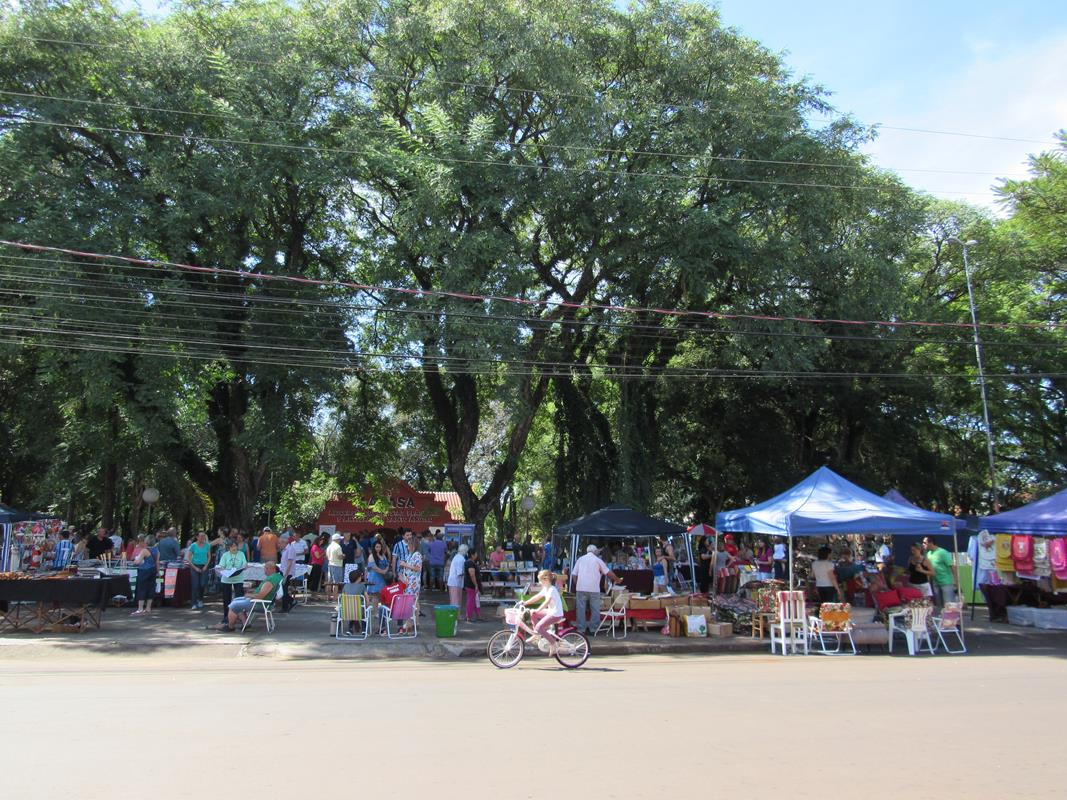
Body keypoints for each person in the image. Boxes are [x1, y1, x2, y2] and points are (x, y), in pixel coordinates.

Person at [571, 544, 622, 635]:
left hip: (581, 588)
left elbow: (574, 574)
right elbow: (608, 572)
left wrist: (577, 584)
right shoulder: (598, 560)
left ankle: (581, 629)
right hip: (593, 588)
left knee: (581, 609)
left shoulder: (580, 559)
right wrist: (617, 579)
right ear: (595, 552)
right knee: (595, 609)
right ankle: (593, 630)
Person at [218, 561, 282, 632]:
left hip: (260, 603)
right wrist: (252, 593)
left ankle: (230, 627)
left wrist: (249, 595)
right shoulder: (277, 576)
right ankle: (246, 624)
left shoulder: (271, 580)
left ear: (273, 569)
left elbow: (260, 596)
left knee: (233, 605)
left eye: (266, 568)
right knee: (236, 600)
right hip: (263, 602)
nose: (264, 570)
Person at [522, 569, 566, 656]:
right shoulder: (546, 588)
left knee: (539, 627)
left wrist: (538, 609)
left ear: (546, 580)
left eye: (540, 580)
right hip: (551, 612)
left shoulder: (552, 590)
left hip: (556, 614)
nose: (539, 582)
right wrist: (525, 603)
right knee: (532, 613)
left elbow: (546, 602)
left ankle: (553, 643)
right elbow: (537, 597)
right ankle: (537, 635)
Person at [924, 537, 958, 607]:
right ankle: (941, 617)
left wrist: (956, 581)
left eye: (925, 543)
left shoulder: (943, 552)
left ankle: (950, 618)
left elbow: (952, 567)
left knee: (948, 604)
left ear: (931, 543)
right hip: (935, 582)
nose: (923, 544)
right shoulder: (928, 554)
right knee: (939, 604)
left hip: (946, 583)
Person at [131, 535, 160, 616]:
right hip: (153, 571)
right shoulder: (157, 550)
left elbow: (137, 562)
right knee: (151, 588)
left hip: (144, 571)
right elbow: (157, 562)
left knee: (142, 588)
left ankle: (140, 609)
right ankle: (148, 608)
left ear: (146, 542)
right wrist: (158, 572)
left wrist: (135, 561)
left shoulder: (144, 551)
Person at [186, 532, 212, 610]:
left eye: (203, 536)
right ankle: (193, 603)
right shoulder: (193, 546)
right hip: (195, 566)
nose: (202, 538)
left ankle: (200, 599)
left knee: (202, 584)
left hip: (204, 566)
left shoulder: (207, 545)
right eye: (201, 536)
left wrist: (206, 566)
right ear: (197, 537)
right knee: (195, 585)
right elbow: (188, 558)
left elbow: (209, 557)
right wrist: (194, 567)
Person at [366, 538, 391, 605]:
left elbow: (387, 564)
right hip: (374, 577)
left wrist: (385, 570)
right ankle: (375, 613)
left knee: (381, 596)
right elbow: (374, 567)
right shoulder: (371, 556)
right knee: (375, 596)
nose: (378, 548)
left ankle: (380, 612)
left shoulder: (382, 555)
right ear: (374, 547)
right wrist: (383, 571)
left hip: (382, 578)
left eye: (379, 547)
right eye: (377, 547)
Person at [447, 543, 468, 616]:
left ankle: (455, 615)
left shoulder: (457, 557)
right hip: (455, 582)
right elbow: (460, 572)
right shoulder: (461, 559)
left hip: (454, 582)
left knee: (454, 599)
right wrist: (467, 573)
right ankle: (455, 615)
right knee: (456, 600)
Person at [464, 549, 483, 622]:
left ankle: (477, 615)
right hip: (471, 585)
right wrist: (476, 585)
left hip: (471, 584)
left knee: (475, 600)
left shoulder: (471, 562)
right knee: (471, 600)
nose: (476, 555)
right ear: (472, 555)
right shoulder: (470, 563)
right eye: (475, 554)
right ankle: (468, 616)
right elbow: (472, 575)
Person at [325, 533, 345, 597]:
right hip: (337, 565)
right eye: (339, 539)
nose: (340, 540)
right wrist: (344, 556)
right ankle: (335, 597)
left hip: (330, 564)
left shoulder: (329, 546)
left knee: (329, 581)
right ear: (337, 540)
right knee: (336, 582)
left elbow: (327, 556)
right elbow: (340, 557)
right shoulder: (338, 547)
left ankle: (328, 597)